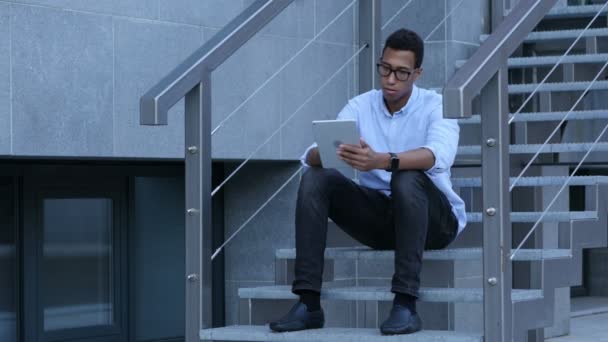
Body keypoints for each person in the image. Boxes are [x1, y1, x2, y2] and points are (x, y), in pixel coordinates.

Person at [269, 28, 466, 335]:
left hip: (434, 223)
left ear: (417, 73)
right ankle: (308, 304)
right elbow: (308, 155)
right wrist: (336, 150)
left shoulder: (435, 105)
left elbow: (438, 155)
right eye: (385, 68)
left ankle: (405, 304)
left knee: (406, 175)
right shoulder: (361, 105)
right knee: (316, 178)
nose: (390, 79)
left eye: (401, 72)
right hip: (381, 220)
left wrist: (384, 160)